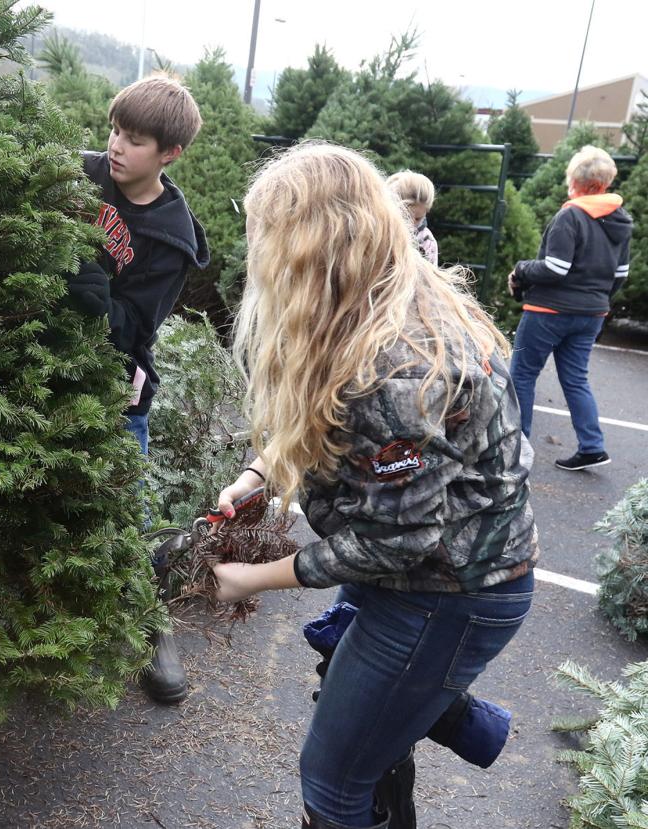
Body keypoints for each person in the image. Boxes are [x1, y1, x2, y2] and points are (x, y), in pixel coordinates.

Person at [213, 143, 537, 829]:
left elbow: (395, 541)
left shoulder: (396, 363)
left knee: (331, 779)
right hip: (429, 573)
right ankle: (429, 713)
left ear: (312, 249)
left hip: (447, 592)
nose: (257, 254)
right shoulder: (373, 303)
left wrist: (252, 577)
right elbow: (318, 414)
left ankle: (437, 707)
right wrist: (258, 475)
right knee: (370, 732)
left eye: (268, 238)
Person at [65, 74, 210, 705]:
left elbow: (133, 330)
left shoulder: (169, 239)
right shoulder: (78, 175)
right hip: (38, 364)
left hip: (115, 384)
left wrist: (92, 294)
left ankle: (152, 626)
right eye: (115, 132)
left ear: (169, 154)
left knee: (128, 511)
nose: (117, 147)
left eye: (136, 140)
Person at [508, 145, 632, 471]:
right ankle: (592, 446)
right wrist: (596, 301)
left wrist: (521, 269)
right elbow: (621, 275)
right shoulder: (620, 221)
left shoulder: (570, 215)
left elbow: (555, 268)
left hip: (549, 312)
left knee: (522, 375)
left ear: (576, 181)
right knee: (575, 379)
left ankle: (515, 448)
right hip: (592, 314)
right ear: (603, 183)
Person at [386, 170, 438, 266]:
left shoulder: (427, 241)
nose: (412, 224)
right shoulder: (380, 234)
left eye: (418, 218)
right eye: (406, 217)